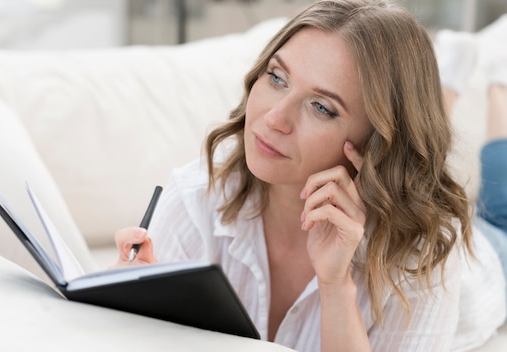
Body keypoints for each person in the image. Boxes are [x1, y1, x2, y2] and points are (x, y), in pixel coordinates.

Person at [113, 1, 505, 350]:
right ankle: (449, 80)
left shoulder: (426, 256)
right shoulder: (195, 198)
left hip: (490, 260)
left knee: (499, 208)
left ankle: (498, 86)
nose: (274, 118)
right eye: (277, 78)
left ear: (376, 146)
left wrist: (336, 287)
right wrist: (127, 305)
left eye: (321, 107)